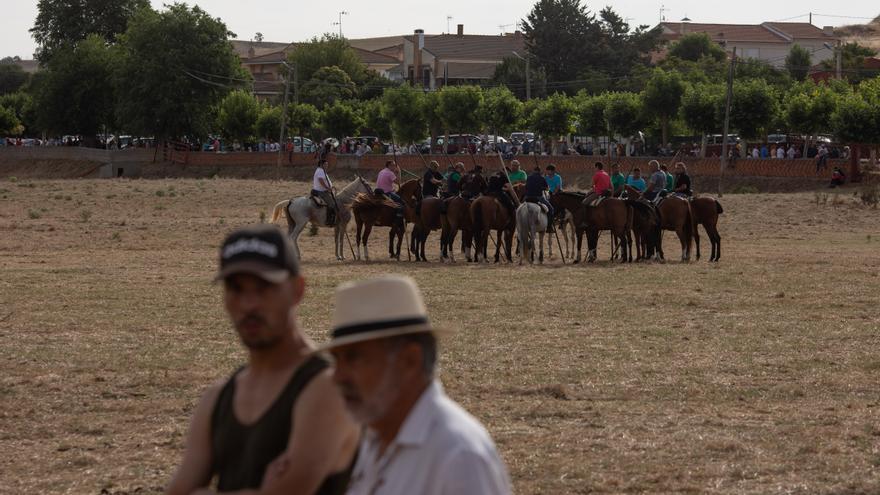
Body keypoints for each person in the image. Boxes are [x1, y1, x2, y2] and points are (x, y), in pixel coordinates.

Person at [166, 226, 359, 495]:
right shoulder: (218, 397)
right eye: (236, 288)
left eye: (264, 287)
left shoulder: (328, 387)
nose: (248, 304)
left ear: (297, 290)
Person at [321, 276, 511, 495]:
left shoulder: (458, 457)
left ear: (409, 361)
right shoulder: (376, 435)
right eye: (336, 359)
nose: (337, 377)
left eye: (354, 358)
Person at [311, 160, 337, 225]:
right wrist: (328, 188)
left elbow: (325, 181)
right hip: (321, 192)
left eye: (327, 164)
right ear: (321, 165)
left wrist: (331, 186)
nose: (327, 166)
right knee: (332, 204)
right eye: (325, 164)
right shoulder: (320, 171)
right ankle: (329, 220)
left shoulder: (321, 171)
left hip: (321, 190)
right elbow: (321, 180)